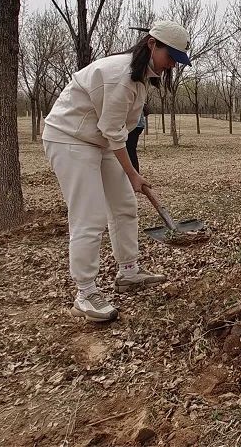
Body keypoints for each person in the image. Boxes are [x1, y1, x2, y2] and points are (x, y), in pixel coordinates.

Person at [42, 21, 190, 322]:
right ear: (152, 45)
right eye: (170, 56)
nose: (172, 64)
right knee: (90, 216)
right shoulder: (119, 76)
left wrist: (131, 172)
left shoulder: (140, 80)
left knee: (124, 205)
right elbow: (113, 130)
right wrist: (132, 173)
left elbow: (124, 130)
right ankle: (85, 292)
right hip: (70, 138)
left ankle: (129, 272)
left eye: (177, 59)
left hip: (100, 141)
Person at [125, 103, 148, 173]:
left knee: (130, 150)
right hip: (139, 126)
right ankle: (134, 172)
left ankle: (134, 173)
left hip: (134, 126)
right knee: (131, 150)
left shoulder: (130, 98)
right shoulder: (139, 99)